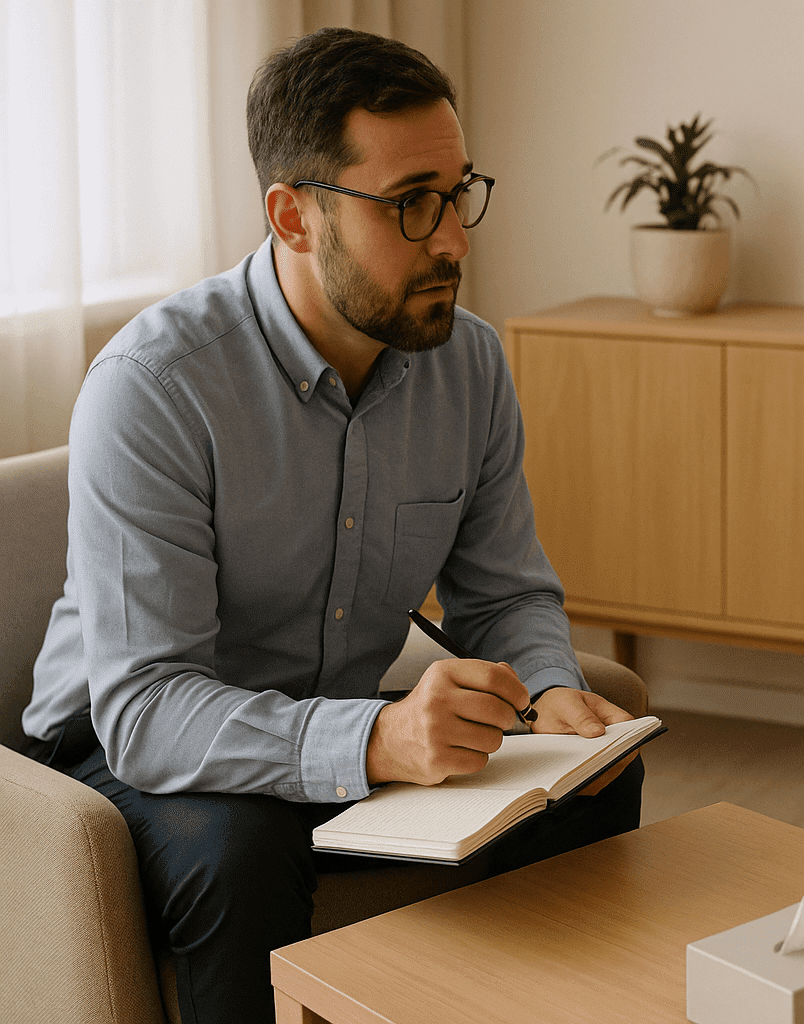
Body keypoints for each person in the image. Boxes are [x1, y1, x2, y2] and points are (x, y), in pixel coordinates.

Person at [22, 27, 643, 1024]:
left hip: (335, 710)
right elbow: (145, 707)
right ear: (293, 214)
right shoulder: (155, 389)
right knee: (238, 849)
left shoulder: (468, 365)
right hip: (129, 741)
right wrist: (379, 739)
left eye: (458, 191)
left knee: (595, 781)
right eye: (411, 205)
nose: (454, 239)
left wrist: (553, 690)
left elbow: (507, 590)